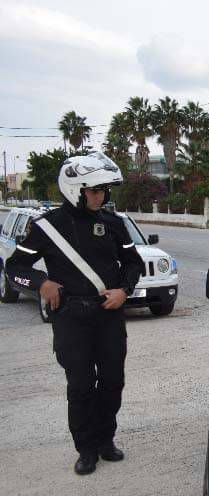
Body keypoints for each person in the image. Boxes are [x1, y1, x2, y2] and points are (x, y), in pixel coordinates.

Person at [5, 152, 144, 475]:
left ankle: (106, 439)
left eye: (104, 191)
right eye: (95, 191)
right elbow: (15, 268)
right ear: (75, 189)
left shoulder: (114, 224)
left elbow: (133, 263)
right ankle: (86, 449)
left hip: (109, 317)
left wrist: (125, 289)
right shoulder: (47, 227)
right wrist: (41, 283)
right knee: (80, 385)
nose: (101, 196)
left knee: (112, 381)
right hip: (71, 319)